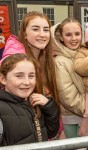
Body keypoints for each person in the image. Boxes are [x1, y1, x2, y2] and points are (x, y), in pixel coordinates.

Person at [0, 11, 62, 139]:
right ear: (24, 34)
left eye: (46, 30)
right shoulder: (14, 60)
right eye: (35, 29)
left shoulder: (44, 57)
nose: (42, 34)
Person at [51, 18, 88, 139]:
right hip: (73, 118)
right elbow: (69, 99)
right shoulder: (60, 62)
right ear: (61, 37)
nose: (74, 38)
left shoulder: (87, 54)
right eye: (68, 35)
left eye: (77, 34)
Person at [0, 53, 60, 146]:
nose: (27, 82)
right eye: (19, 76)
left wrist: (49, 106)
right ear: (3, 79)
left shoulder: (34, 103)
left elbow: (51, 132)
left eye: (31, 76)